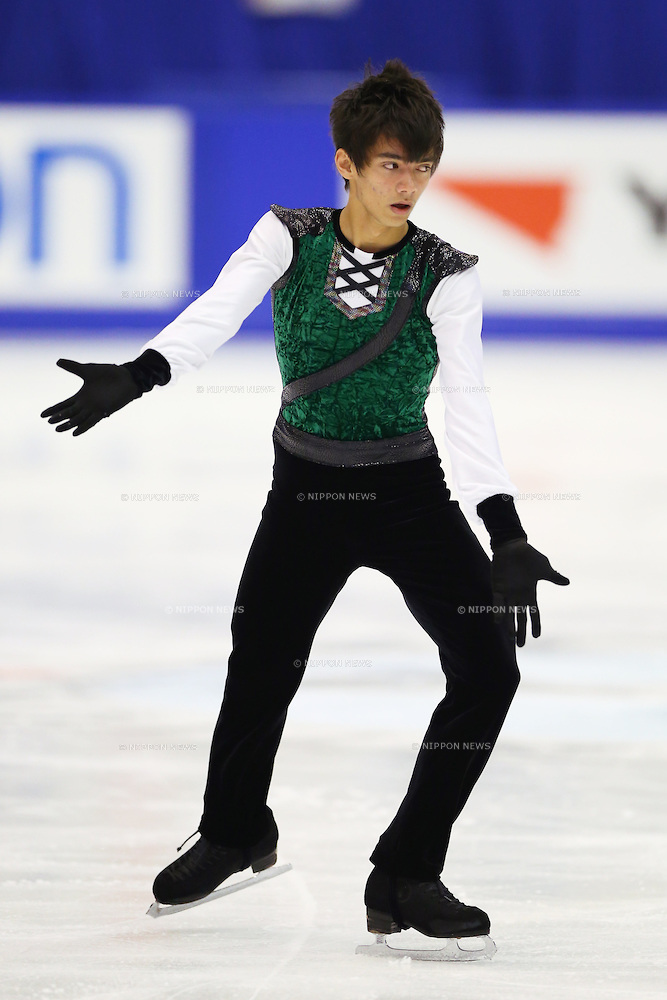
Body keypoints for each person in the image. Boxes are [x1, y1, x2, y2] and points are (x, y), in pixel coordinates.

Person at [41, 59, 569, 943]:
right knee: (261, 658)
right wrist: (138, 374)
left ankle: (405, 873)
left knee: (487, 669)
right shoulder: (287, 236)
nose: (409, 183)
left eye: (422, 166)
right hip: (306, 490)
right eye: (391, 164)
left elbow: (467, 401)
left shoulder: (447, 272)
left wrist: (504, 531)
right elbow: (217, 312)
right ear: (346, 164)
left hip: (408, 493)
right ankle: (234, 829)